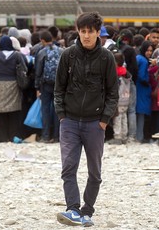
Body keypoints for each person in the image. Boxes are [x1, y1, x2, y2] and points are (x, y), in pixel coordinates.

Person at [54, 12, 118, 227]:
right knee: (68, 168)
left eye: (91, 31)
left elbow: (112, 92)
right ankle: (72, 209)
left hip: (95, 123)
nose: (87, 35)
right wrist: (62, 115)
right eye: (83, 31)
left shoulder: (106, 58)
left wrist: (104, 119)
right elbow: (58, 88)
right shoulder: (68, 55)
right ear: (78, 32)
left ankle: (87, 210)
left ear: (98, 33)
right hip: (70, 121)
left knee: (95, 172)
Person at [0, 36, 25, 142]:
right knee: (13, 112)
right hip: (13, 85)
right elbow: (24, 68)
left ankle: (1, 137)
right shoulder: (17, 55)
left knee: (0, 112)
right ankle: (13, 135)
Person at [34, 30, 63, 143]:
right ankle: (57, 136)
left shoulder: (42, 52)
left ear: (42, 40)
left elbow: (38, 71)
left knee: (45, 110)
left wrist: (37, 87)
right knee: (57, 110)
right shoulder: (61, 51)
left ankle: (45, 135)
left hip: (45, 84)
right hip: (58, 85)